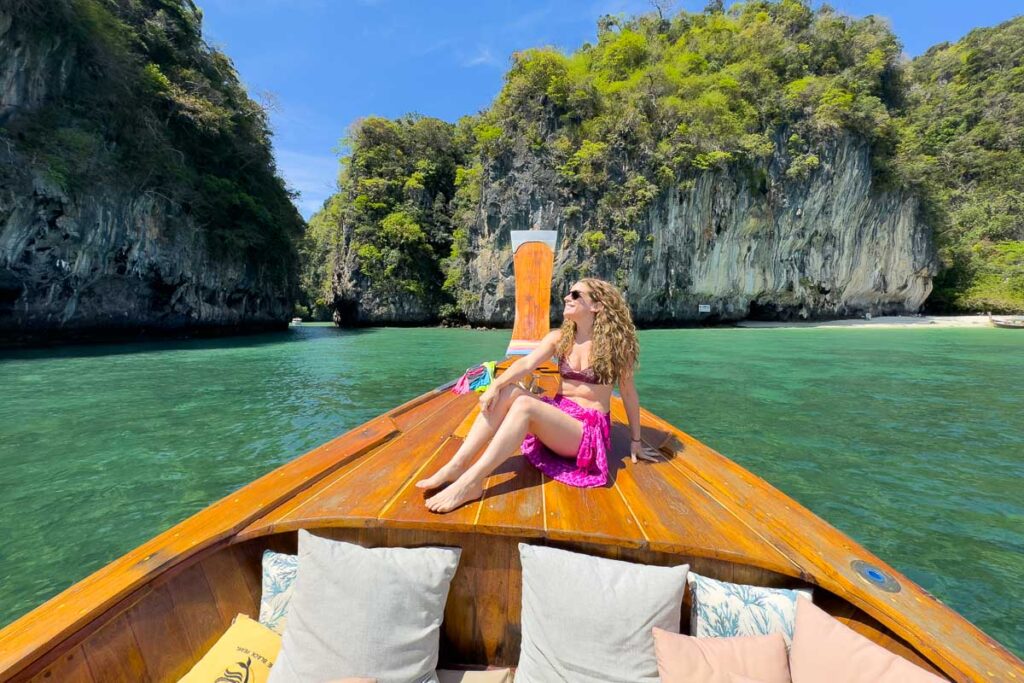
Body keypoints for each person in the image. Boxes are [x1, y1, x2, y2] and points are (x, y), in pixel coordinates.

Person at [416, 278, 657, 513]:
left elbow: (628, 393)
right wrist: (495, 386)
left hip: (586, 432)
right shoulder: (559, 338)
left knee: (524, 405)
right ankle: (457, 466)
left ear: (597, 306)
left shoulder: (616, 347)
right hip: (559, 417)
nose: (566, 298)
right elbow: (527, 363)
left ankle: (472, 482)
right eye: (568, 293)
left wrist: (636, 442)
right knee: (509, 391)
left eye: (575, 295)